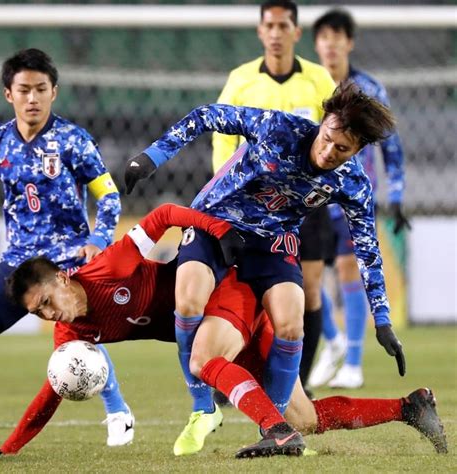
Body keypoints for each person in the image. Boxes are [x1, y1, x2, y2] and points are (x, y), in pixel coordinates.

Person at [0, 205, 447, 457]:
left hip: (229, 298)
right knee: (306, 417)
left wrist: (217, 230)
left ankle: (276, 432)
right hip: (223, 326)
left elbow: (164, 215)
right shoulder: (71, 337)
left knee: (202, 360)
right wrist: (9, 450)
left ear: (62, 278)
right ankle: (410, 407)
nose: (50, 316)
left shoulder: (108, 267)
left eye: (47, 302)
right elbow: (53, 390)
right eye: (38, 314)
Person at [124, 82, 408, 447]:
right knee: (189, 299)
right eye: (326, 139)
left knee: (292, 322)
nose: (327, 152)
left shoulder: (353, 183)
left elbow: (367, 249)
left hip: (272, 242)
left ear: (358, 150)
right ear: (322, 123)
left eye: (342, 149)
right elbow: (206, 115)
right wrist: (151, 158)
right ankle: (201, 407)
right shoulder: (278, 128)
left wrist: (382, 321)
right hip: (216, 223)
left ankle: (274, 432)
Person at [0, 48, 133, 446]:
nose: (32, 98)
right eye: (24, 90)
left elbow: (110, 197)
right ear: (8, 95)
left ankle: (117, 408)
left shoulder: (73, 141)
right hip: (19, 265)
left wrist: (98, 240)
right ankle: (118, 408)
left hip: (67, 261)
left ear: (54, 92)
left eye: (41, 89)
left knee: (74, 332)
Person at [211, 0, 337, 395]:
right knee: (248, 288)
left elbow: (339, 134)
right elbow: (222, 136)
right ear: (260, 31)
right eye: (270, 26)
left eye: (285, 26)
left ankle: (297, 383)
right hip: (252, 206)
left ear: (297, 33)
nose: (277, 33)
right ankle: (230, 374)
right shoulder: (241, 80)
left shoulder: (319, 80)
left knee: (310, 291)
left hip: (306, 205)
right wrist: (222, 193)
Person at [308, 9, 411, 390]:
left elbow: (393, 148)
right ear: (316, 44)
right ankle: (332, 340)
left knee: (351, 272)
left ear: (349, 43)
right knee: (305, 275)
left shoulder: (370, 88)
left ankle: (352, 361)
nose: (331, 45)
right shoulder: (310, 84)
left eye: (338, 37)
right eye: (324, 37)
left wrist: (396, 196)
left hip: (352, 195)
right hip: (311, 195)